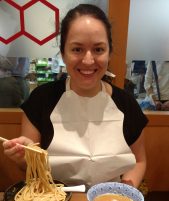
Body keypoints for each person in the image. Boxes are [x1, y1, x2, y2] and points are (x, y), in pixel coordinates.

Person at [2, 4, 148, 189]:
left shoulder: (126, 103)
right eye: (77, 49)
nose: (88, 60)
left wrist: (123, 196)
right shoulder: (41, 99)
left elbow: (139, 161)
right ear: (63, 53)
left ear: (109, 52)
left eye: (98, 49)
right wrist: (23, 157)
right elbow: (28, 168)